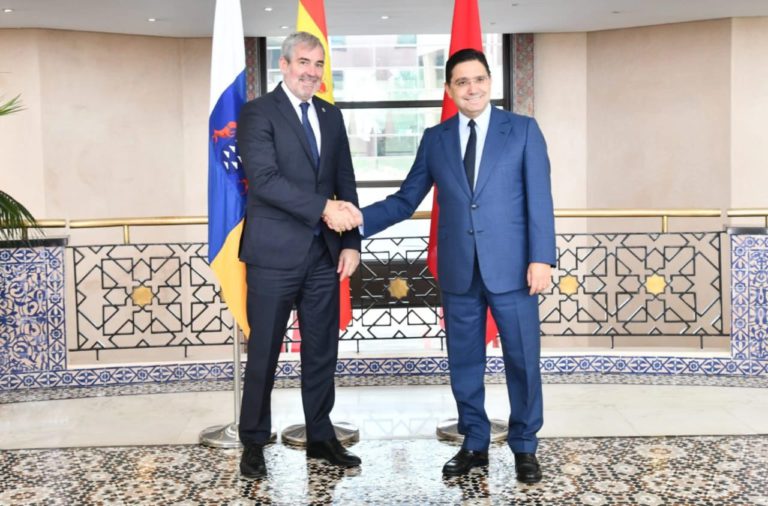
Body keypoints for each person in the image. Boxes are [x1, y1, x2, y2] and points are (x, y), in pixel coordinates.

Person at [356, 48, 555, 483]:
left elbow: (540, 199)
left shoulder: (523, 130)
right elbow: (406, 199)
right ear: (449, 89)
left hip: (514, 270)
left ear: (490, 82)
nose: (472, 88)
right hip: (459, 270)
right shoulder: (436, 138)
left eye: (479, 79)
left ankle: (525, 445)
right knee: (464, 362)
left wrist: (542, 258)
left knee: (523, 361)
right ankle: (474, 442)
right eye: (462, 82)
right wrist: (356, 222)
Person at [236, 31, 363, 478]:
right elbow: (265, 180)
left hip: (324, 255)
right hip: (272, 255)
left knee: (322, 351)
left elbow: (345, 180)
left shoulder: (331, 114)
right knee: (265, 353)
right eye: (303, 62)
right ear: (285, 65)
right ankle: (254, 441)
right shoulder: (257, 113)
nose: (311, 72)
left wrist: (351, 242)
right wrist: (324, 208)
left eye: (318, 64)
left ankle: (321, 436)